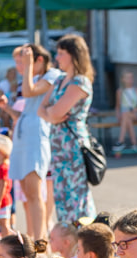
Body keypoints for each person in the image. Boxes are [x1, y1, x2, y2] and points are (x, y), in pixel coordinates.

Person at [1, 44, 61, 242]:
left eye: (27, 59)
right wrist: (6, 107)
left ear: (40, 60)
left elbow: (28, 92)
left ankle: (40, 240)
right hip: (23, 136)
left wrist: (26, 67)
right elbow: (24, 113)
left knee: (35, 193)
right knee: (27, 194)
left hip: (37, 137)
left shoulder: (51, 75)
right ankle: (32, 237)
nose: (22, 65)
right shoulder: (32, 77)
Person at [39, 35, 96, 224]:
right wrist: (52, 115)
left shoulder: (80, 82)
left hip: (72, 148)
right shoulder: (60, 79)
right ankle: (68, 243)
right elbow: (43, 110)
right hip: (58, 148)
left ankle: (84, 241)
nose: (57, 57)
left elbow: (56, 111)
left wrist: (52, 114)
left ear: (74, 55)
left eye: (62, 53)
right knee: (61, 198)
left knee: (76, 198)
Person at [112, 71, 137, 153]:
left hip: (135, 113)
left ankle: (121, 141)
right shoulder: (119, 91)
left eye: (131, 77)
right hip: (125, 114)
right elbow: (117, 106)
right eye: (127, 78)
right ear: (123, 79)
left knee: (126, 115)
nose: (130, 79)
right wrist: (118, 115)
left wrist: (135, 109)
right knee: (127, 119)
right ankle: (134, 144)